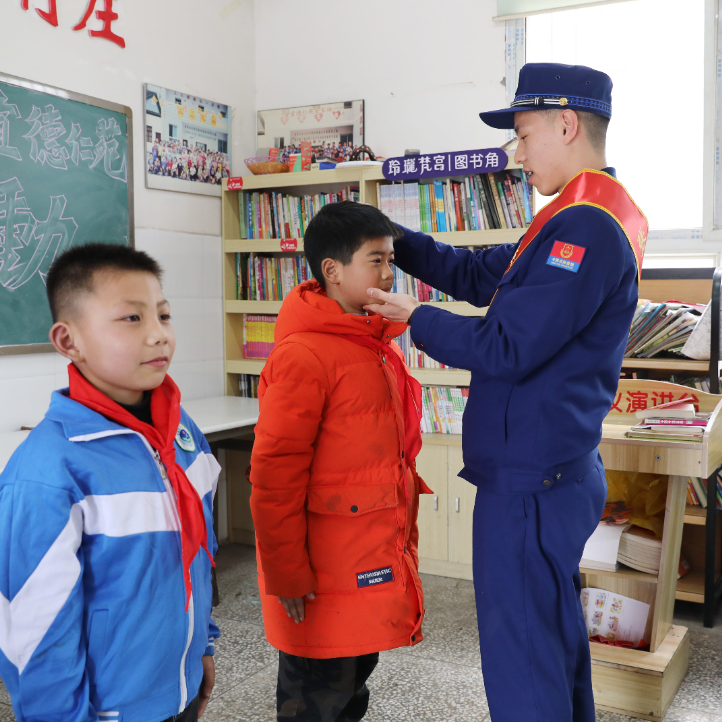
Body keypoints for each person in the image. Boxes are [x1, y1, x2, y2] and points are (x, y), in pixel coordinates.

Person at [363, 63, 648, 722]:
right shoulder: (582, 214)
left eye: (523, 134)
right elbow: (481, 271)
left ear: (567, 124)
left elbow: (506, 346)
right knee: (550, 643)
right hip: (553, 471)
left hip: (531, 485)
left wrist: (413, 317)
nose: (516, 155)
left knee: (523, 658)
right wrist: (395, 240)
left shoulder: (586, 228)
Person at [0, 244, 221, 722]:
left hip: (177, 688)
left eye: (163, 316)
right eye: (132, 319)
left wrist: (202, 644)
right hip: (110, 711)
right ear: (68, 340)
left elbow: (199, 555)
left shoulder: (182, 433)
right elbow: (35, 634)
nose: (159, 336)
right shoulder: (49, 471)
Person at [250, 201, 431, 722]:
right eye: (375, 260)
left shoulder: (373, 343)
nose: (388, 272)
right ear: (332, 271)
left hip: (365, 557)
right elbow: (274, 475)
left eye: (390, 258)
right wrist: (286, 573)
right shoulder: (304, 355)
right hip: (319, 571)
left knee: (352, 687)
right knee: (315, 697)